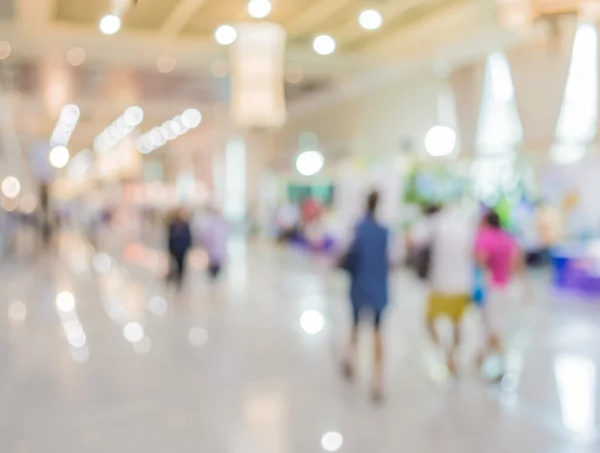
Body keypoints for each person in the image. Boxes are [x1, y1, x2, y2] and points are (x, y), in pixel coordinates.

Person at [411, 203, 476, 376]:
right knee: (457, 323)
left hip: (440, 285)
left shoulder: (434, 225)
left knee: (429, 322)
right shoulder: (465, 226)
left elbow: (413, 239)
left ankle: (445, 353)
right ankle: (453, 355)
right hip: (462, 285)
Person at [340, 191, 390, 401]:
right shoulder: (385, 231)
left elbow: (347, 252)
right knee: (378, 330)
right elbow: (392, 259)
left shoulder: (358, 228)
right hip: (378, 284)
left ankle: (351, 361)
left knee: (355, 325)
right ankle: (377, 381)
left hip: (360, 283)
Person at [475, 209, 522, 371]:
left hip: (491, 286)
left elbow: (481, 260)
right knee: (494, 323)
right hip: (505, 285)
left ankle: (502, 360)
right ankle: (481, 356)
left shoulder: (485, 238)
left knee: (491, 324)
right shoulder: (507, 238)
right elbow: (515, 261)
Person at [199, 206, 228, 281]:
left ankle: (215, 275)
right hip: (211, 247)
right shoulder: (209, 223)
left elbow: (224, 234)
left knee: (217, 261)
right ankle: (212, 275)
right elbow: (204, 235)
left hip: (218, 247)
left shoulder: (221, 222)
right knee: (212, 261)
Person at [167, 208, 193, 290]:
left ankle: (180, 279)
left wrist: (189, 246)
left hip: (182, 249)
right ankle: (176, 278)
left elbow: (189, 237)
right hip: (175, 249)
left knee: (181, 265)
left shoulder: (185, 224)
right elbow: (169, 238)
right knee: (175, 265)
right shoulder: (172, 225)